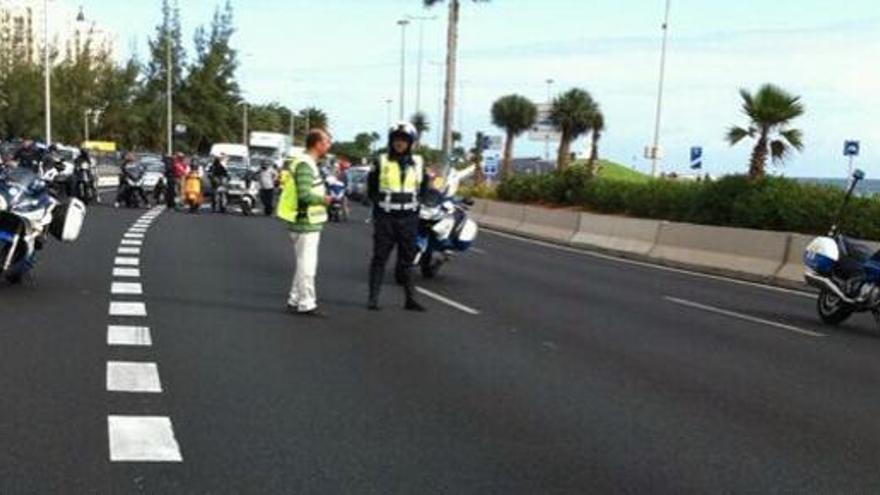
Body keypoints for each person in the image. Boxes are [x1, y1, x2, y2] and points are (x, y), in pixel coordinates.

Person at [366, 122, 429, 312]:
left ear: (410, 142)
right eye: (396, 139)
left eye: (404, 140)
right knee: (380, 257)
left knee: (407, 260)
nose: (399, 143)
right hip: (386, 217)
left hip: (408, 217)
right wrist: (379, 210)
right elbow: (371, 188)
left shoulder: (418, 162)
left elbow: (424, 187)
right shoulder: (381, 161)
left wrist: (418, 207)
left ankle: (410, 299)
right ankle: (373, 299)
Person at [277, 129, 332, 317]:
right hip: (304, 220)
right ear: (317, 143)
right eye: (326, 141)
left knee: (302, 264)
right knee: (307, 266)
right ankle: (307, 303)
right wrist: (323, 200)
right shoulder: (305, 165)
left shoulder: (307, 163)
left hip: (307, 220)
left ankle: (294, 300)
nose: (328, 145)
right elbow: (304, 194)